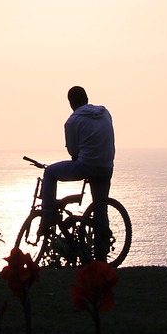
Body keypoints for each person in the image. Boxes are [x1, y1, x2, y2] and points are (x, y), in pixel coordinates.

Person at [40, 85, 115, 261]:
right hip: (106, 167)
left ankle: (48, 217)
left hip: (86, 165)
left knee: (50, 172)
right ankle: (101, 258)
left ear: (71, 103)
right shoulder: (105, 113)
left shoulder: (72, 121)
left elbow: (73, 152)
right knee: (100, 208)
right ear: (87, 98)